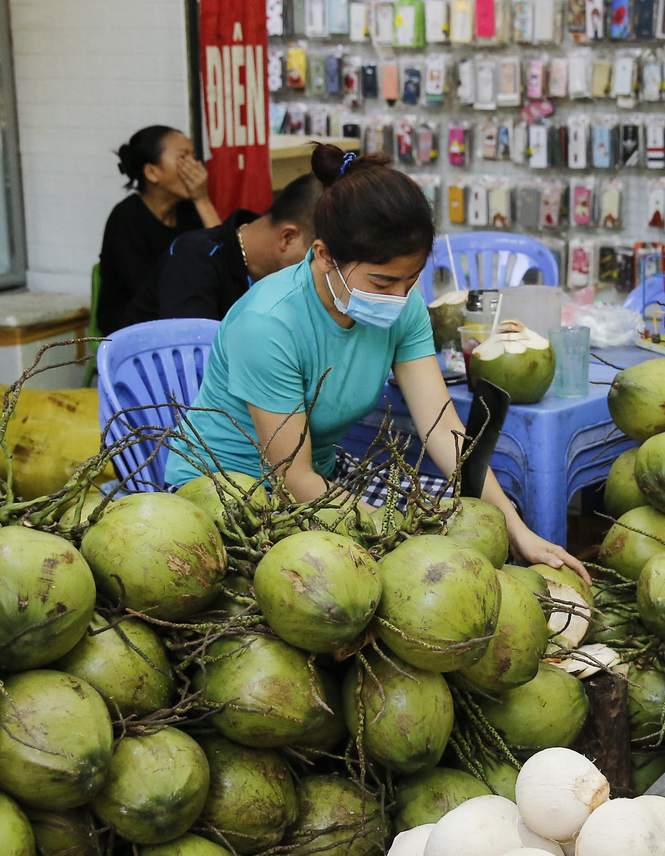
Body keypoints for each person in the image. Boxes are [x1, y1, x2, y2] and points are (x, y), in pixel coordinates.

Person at [166, 145, 587, 577]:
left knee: (485, 518)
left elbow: (442, 425)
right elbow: (293, 478)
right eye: (382, 282)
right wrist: (399, 538)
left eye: (410, 281)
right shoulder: (268, 325)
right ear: (325, 255)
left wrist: (516, 528)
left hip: (323, 478)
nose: (399, 299)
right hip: (230, 492)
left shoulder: (402, 307)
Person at [128, 173, 320, 325]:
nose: (325, 267)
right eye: (320, 254)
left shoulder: (279, 272)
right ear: (288, 238)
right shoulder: (194, 260)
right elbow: (193, 362)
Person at [96, 125, 218, 336]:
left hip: (182, 315)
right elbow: (148, 293)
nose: (195, 165)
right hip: (133, 328)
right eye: (183, 157)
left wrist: (202, 200)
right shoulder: (126, 218)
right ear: (152, 172)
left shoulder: (189, 210)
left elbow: (224, 255)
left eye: (194, 156)